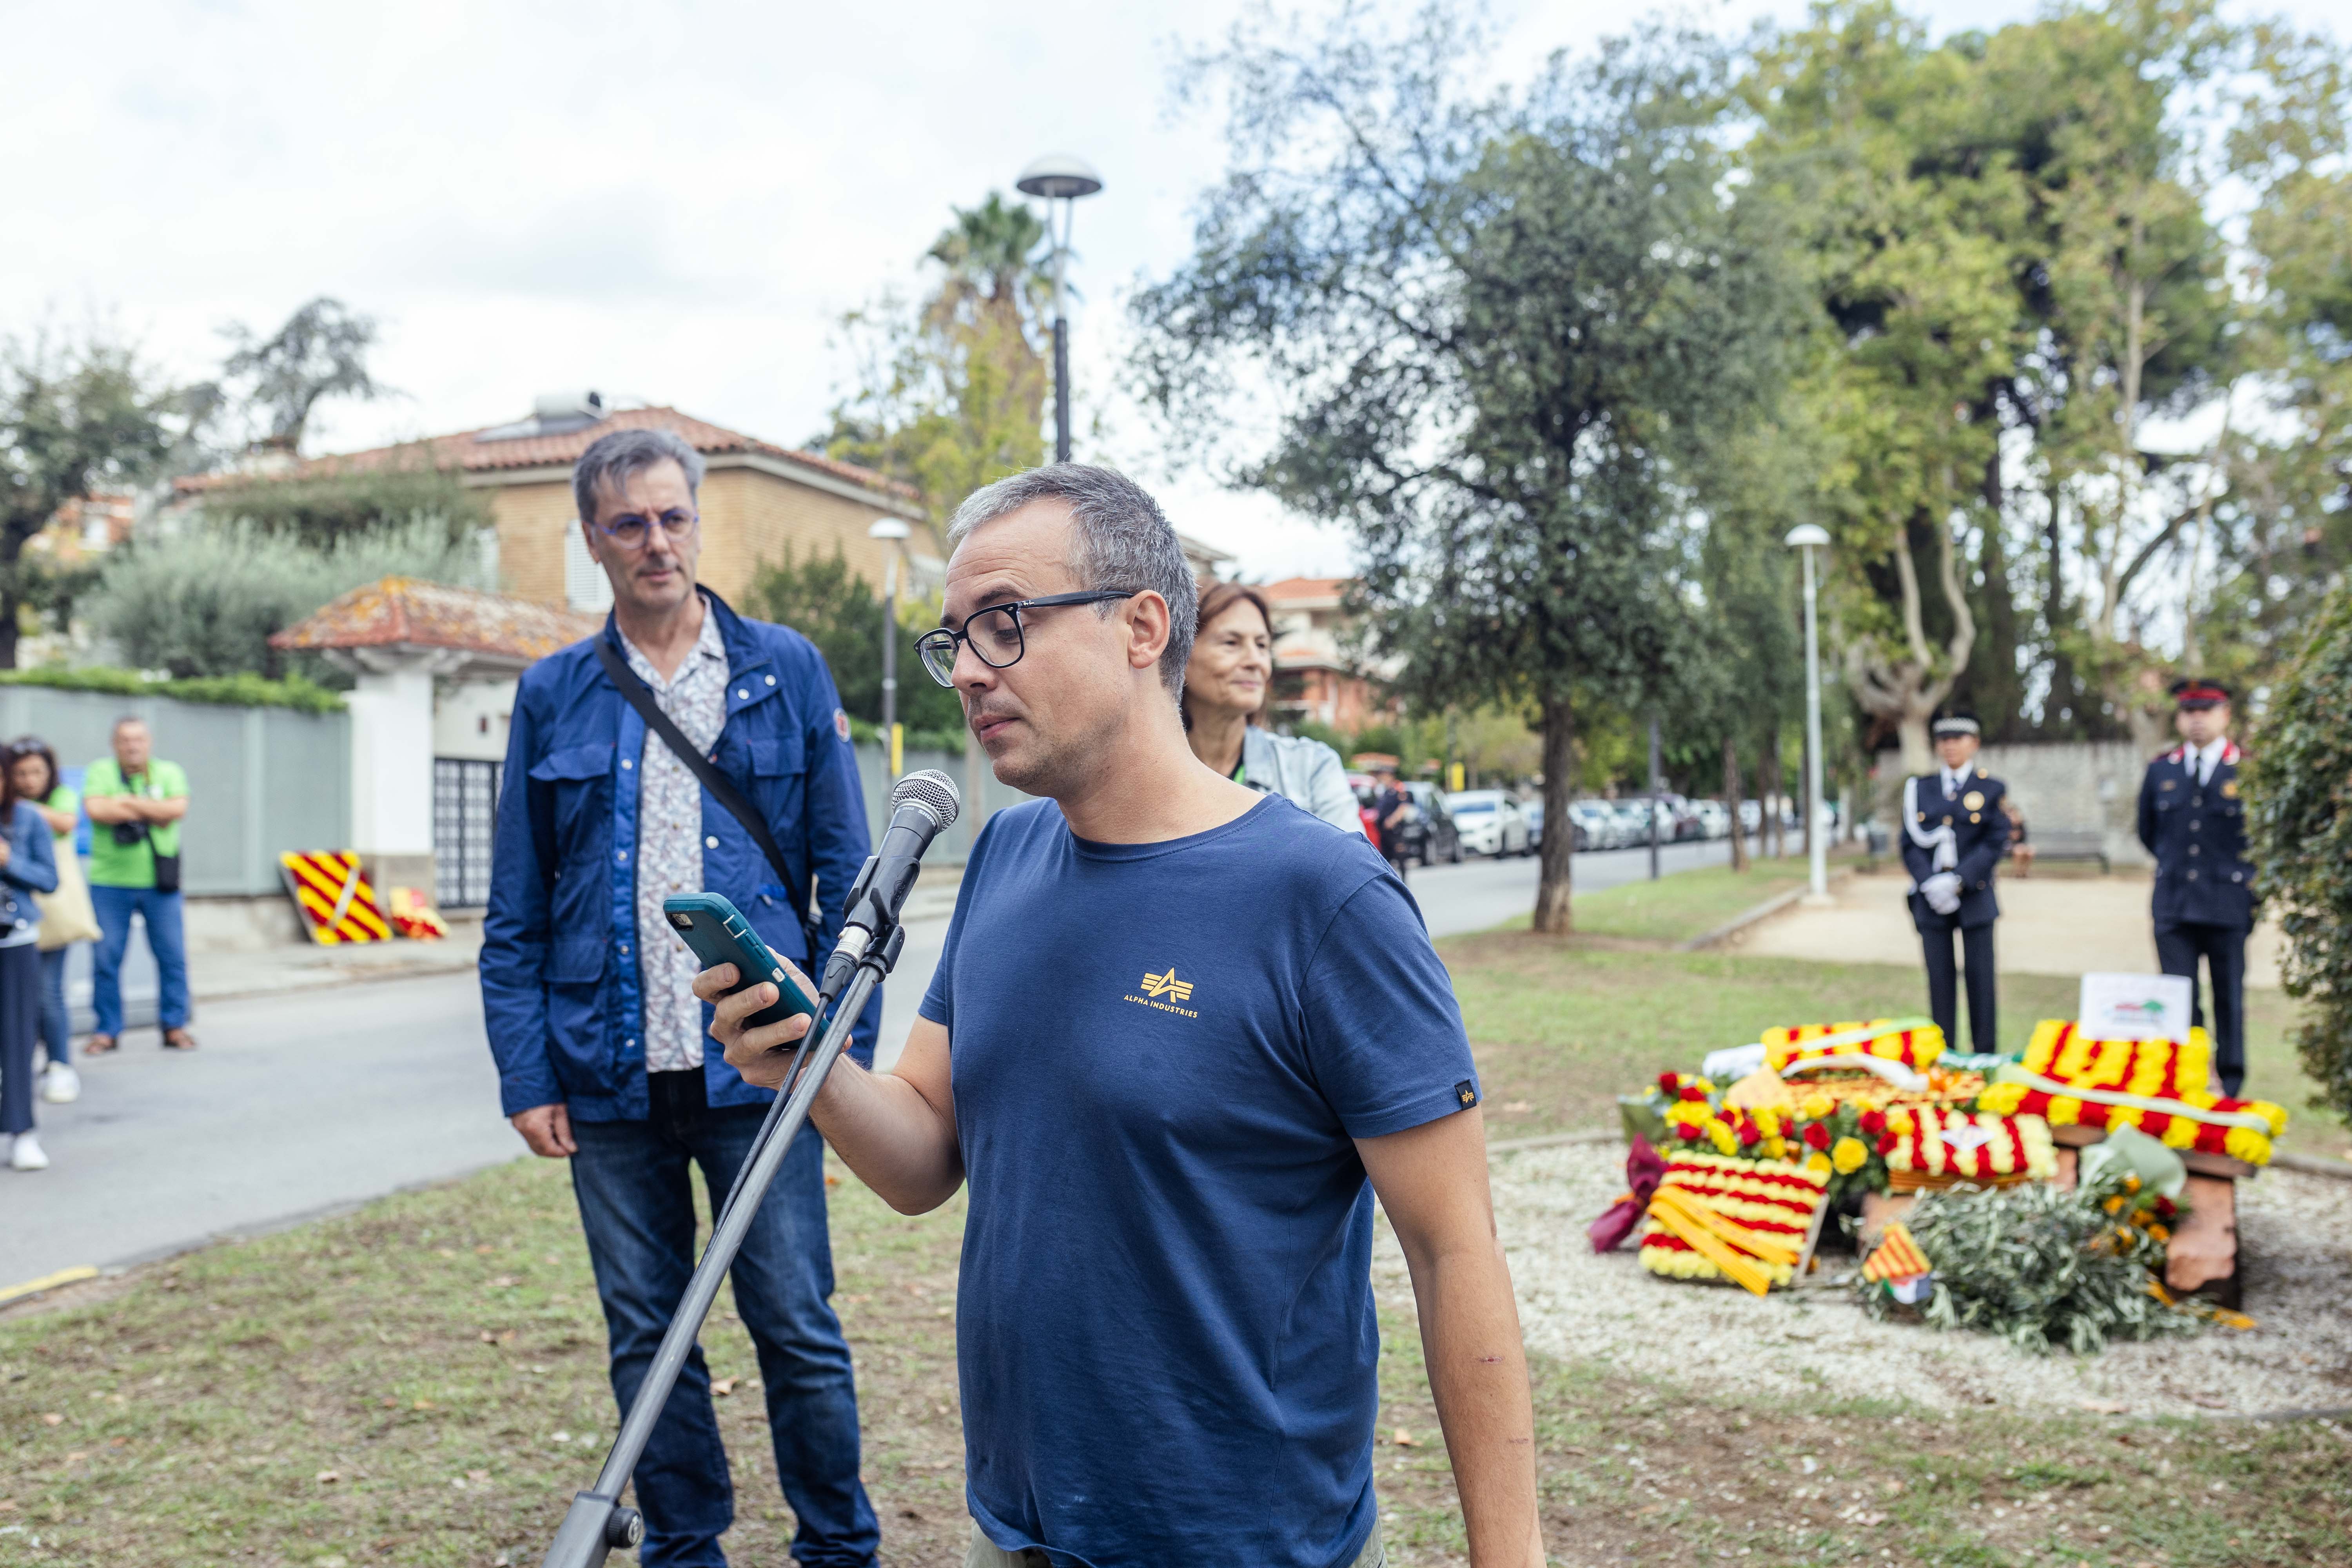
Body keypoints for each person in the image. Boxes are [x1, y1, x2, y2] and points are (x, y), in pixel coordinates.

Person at [701, 464, 1544, 1568]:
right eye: (952, 638)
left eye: (1003, 625)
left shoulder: (1324, 896)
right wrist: (814, 1062)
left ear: (1144, 625)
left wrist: (1510, 1557)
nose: (968, 672)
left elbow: (1453, 1249)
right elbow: (922, 1159)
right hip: (1013, 1531)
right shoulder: (1006, 855)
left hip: (1246, 1544)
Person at [480, 426, 881, 1568]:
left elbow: (852, 892)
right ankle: (685, 1544)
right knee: (645, 1334)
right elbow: (514, 911)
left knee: (796, 1324)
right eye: (627, 523)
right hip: (604, 1074)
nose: (655, 542)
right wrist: (526, 1072)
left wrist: (847, 1075)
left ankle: (838, 1546)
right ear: (591, 539)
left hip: (761, 1065)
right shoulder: (553, 692)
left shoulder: (784, 668)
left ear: (695, 521)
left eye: (672, 517)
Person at [2137, 680, 2254, 1096]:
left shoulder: (2248, 767)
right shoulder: (2162, 769)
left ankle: (2231, 1084)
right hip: (2174, 905)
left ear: (2225, 715)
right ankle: (2188, 1080)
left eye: (2207, 710)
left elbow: (2260, 839)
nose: (2197, 718)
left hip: (2228, 903)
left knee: (2229, 998)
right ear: (2179, 717)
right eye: (2190, 711)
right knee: (2178, 1000)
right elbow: (2148, 832)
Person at [1181, 578, 1363, 833]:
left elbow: (1352, 870)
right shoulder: (1143, 777)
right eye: (1231, 643)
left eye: (1262, 645)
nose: (1255, 661)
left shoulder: (1311, 768)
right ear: (1181, 655)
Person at [1899, 712, 2010, 1053]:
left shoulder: (1991, 789)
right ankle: (1943, 1057)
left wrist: (1959, 880)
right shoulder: (1921, 788)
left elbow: (1995, 841)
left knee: (1981, 982)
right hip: (1932, 899)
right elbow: (1909, 842)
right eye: (1944, 740)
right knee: (1940, 983)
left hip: (1974, 897)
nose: (1950, 745)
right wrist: (1931, 884)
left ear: (1974, 743)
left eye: (1958, 739)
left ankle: (1984, 1057)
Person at [81, 718, 192, 1054]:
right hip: (109, 882)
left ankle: (175, 1026)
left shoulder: (169, 772)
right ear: (115, 744)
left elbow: (176, 809)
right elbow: (96, 809)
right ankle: (107, 1030)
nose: (132, 746)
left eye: (139, 740)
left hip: (160, 881)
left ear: (149, 742)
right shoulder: (100, 771)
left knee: (172, 956)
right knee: (106, 959)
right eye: (125, 740)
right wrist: (151, 810)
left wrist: (127, 805)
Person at [6, 739, 85, 1102]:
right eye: (20, 773)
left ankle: (59, 1066)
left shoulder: (42, 808)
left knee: (48, 993)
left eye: (36, 772)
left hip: (51, 914)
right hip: (12, 924)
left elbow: (66, 823)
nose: (28, 780)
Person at [0, 750, 60, 1169]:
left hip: (15, 941)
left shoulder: (28, 820)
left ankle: (23, 1133)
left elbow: (49, 879)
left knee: (18, 1043)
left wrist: (8, 860)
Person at [1371, 762, 1413, 878]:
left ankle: (1403, 881)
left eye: (1383, 775)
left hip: (1395, 829)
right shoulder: (1384, 791)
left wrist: (1392, 820)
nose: (1381, 778)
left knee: (1400, 855)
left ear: (1390, 775)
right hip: (1384, 830)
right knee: (1386, 856)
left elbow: (1404, 806)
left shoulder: (1398, 788)